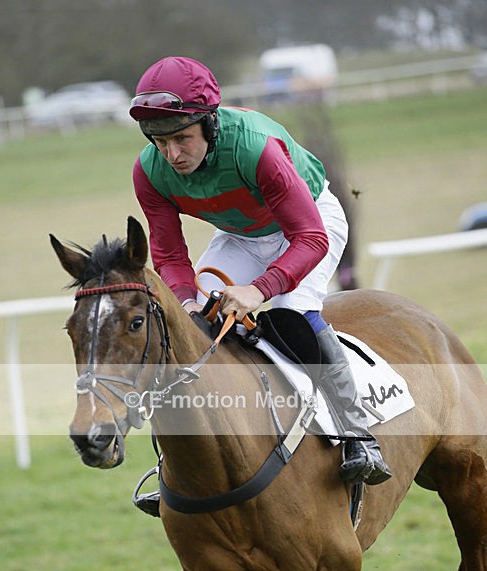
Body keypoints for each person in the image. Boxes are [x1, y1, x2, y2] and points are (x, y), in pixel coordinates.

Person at [129, 56, 391, 486]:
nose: (171, 154)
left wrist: (260, 289)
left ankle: (358, 434)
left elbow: (310, 238)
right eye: (159, 142)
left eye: (182, 138)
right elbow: (170, 257)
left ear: (210, 124)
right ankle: (178, 466)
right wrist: (187, 301)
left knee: (289, 311)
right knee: (196, 325)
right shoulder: (149, 171)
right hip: (242, 238)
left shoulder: (255, 148)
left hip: (310, 225)